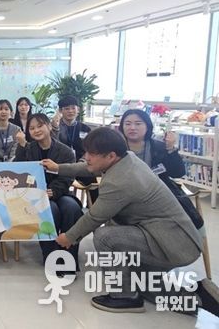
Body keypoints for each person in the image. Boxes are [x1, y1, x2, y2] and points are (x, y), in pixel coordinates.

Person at [44, 127, 204, 313]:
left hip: (172, 243)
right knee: (142, 284)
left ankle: (124, 297)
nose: (86, 157)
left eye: (91, 153)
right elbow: (88, 167)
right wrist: (58, 168)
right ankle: (197, 299)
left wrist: (69, 237)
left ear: (111, 156)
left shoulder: (120, 181)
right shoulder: (126, 159)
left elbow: (94, 217)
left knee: (105, 236)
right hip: (168, 236)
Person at [14, 113, 82, 267]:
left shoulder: (65, 151)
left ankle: (69, 260)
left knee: (72, 208)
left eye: (40, 126)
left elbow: (68, 176)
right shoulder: (28, 149)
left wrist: (53, 190)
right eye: (32, 128)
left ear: (49, 126)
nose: (36, 130)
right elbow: (19, 170)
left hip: (61, 193)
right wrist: (21, 146)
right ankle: (51, 258)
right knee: (49, 209)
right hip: (36, 195)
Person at [118, 109, 203, 229]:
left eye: (138, 123)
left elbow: (178, 173)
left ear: (147, 126)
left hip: (159, 193)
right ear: (122, 127)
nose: (132, 127)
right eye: (127, 124)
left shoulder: (159, 147)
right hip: (126, 194)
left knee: (186, 221)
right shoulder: (116, 149)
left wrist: (171, 149)